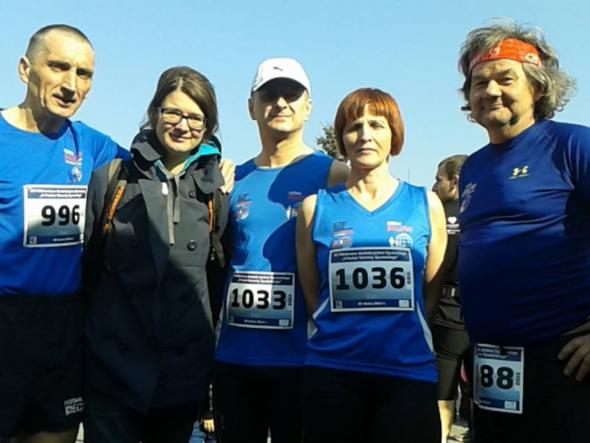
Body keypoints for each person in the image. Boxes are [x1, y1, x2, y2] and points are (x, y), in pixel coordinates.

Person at [457, 20, 590, 443]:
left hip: (563, 364)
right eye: (479, 82)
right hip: (489, 364)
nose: (490, 91)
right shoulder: (472, 167)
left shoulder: (572, 146)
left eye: (505, 78)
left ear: (537, 86)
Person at [82, 66, 228, 443]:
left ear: (208, 126)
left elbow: (213, 281)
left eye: (195, 117)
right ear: (153, 113)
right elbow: (88, 269)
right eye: (172, 112)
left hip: (181, 377)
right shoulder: (113, 179)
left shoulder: (215, 193)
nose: (183, 125)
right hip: (112, 372)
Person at [0, 24, 128, 443]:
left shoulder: (90, 144)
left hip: (64, 325)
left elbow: (158, 163)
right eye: (58, 67)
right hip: (6, 318)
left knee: (56, 435)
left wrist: (212, 158)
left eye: (84, 73)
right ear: (25, 68)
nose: (71, 85)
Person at [297, 88, 447, 443]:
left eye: (377, 125)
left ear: (394, 134)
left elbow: (430, 291)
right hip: (332, 372)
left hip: (407, 373)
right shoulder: (314, 208)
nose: (365, 135)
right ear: (342, 138)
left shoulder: (426, 204)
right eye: (354, 127)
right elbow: (312, 294)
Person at [213, 58, 349, 443]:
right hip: (235, 358)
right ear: (251, 107)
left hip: (302, 359)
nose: (281, 103)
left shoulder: (334, 175)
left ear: (308, 106)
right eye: (269, 95)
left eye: (292, 94)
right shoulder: (233, 179)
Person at [432, 155, 472, 443]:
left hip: (445, 315)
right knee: (483, 394)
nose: (435, 187)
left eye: (439, 180)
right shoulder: (487, 210)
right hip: (482, 315)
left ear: (455, 181)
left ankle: (442, 437)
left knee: (442, 395)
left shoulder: (437, 214)